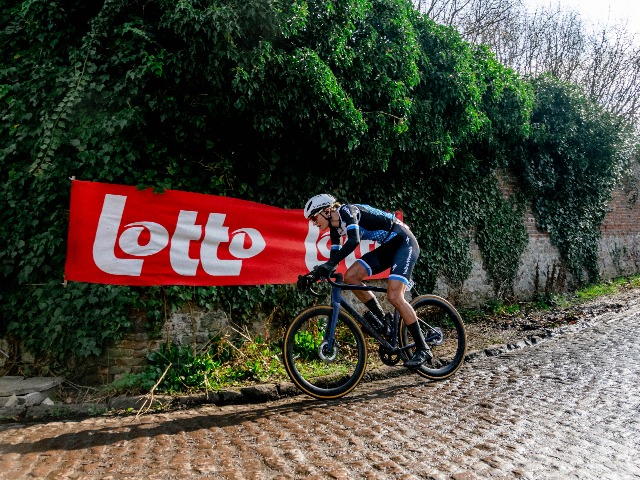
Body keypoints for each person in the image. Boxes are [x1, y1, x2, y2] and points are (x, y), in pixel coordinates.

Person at [303, 193, 432, 369]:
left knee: (394, 296)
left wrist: (329, 265)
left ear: (326, 211)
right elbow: (333, 260)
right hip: (388, 247)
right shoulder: (334, 228)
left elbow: (354, 240)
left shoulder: (348, 211)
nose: (313, 222)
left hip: (404, 241)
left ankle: (423, 347)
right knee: (351, 277)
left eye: (314, 217)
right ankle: (382, 320)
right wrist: (315, 274)